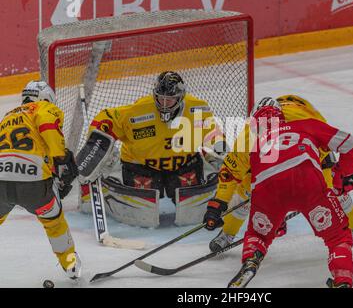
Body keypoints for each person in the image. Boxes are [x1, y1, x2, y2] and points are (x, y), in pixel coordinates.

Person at [203, 97, 353, 288]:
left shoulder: (250, 136)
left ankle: (250, 260)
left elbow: (230, 173)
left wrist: (218, 203)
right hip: (308, 178)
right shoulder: (306, 122)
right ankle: (343, 276)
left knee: (257, 232)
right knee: (337, 233)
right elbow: (349, 145)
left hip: (267, 187)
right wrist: (341, 175)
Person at [78, 71, 226, 226]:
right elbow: (106, 117)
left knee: (193, 210)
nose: (163, 104)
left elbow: (210, 129)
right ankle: (107, 182)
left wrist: (218, 144)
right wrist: (95, 145)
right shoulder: (139, 110)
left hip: (183, 165)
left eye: (169, 100)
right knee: (142, 214)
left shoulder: (196, 108)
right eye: (160, 98)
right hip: (142, 167)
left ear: (181, 97)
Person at [0, 81, 81, 280]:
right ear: (46, 98)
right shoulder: (44, 107)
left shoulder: (7, 117)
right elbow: (47, 124)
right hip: (34, 185)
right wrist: (61, 158)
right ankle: (71, 267)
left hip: (0, 180)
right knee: (54, 221)